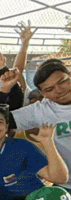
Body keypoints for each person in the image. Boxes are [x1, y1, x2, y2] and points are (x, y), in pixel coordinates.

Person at [18, 59, 71, 189]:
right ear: (43, 94)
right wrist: (4, 89)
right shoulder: (39, 111)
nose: (59, 90)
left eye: (62, 82)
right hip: (65, 187)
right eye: (49, 89)